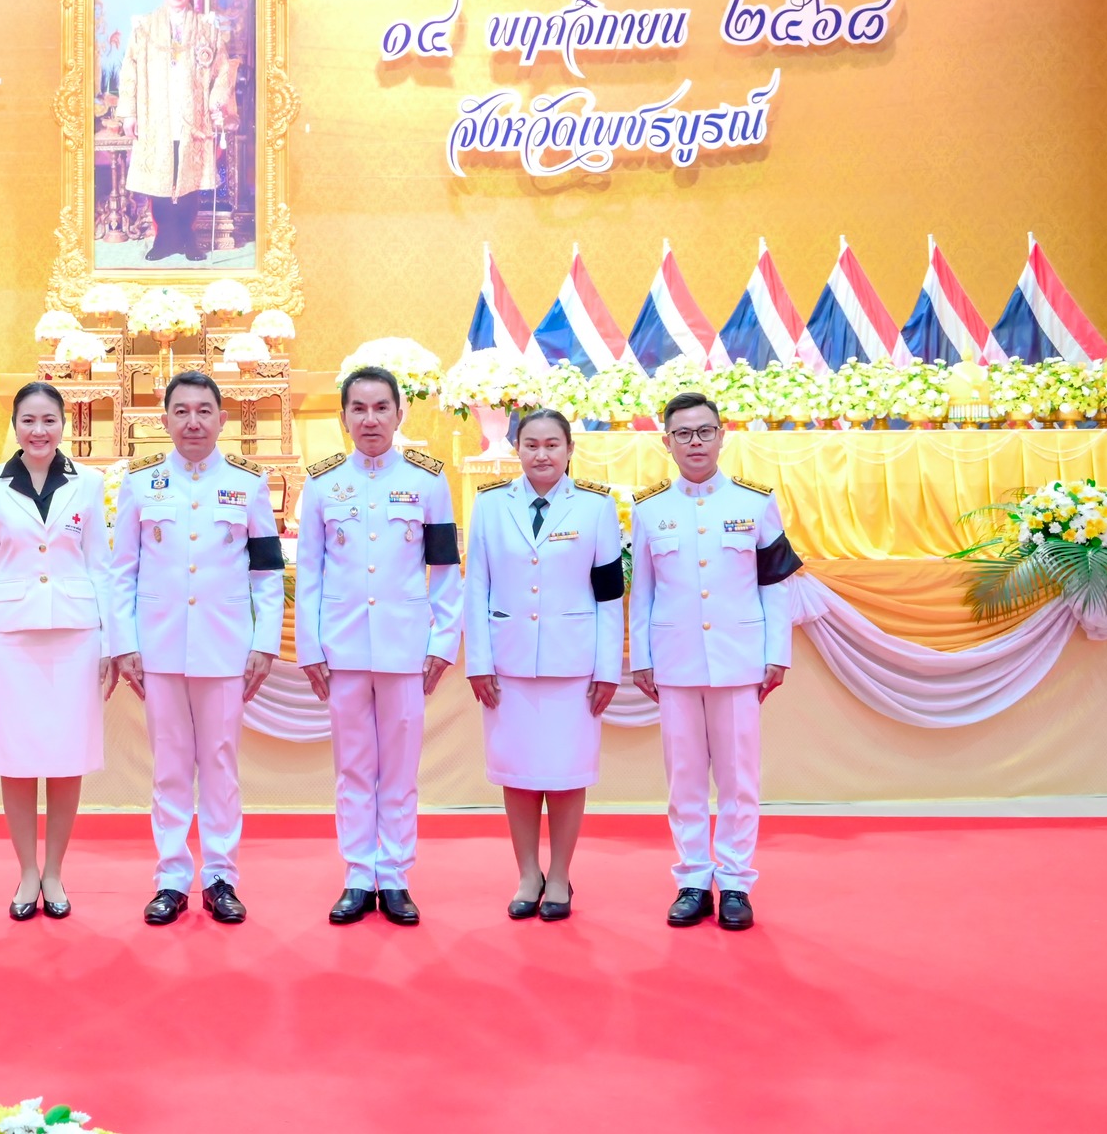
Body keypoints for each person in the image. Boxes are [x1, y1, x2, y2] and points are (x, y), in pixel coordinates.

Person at [107, 370, 284, 926]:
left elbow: (267, 575)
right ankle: (172, 879)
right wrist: (124, 643)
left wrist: (264, 642)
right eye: (181, 411)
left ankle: (221, 877)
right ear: (164, 421)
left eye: (204, 411)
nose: (193, 422)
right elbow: (121, 573)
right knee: (170, 768)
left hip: (225, 647)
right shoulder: (140, 484)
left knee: (222, 764)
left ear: (222, 420)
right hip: (159, 648)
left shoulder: (249, 484)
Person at [629, 391, 802, 932]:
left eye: (704, 431)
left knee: (737, 778)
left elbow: (776, 585)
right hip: (675, 662)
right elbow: (645, 590)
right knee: (683, 778)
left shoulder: (754, 502)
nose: (695, 442)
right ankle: (692, 880)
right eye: (683, 433)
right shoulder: (649, 507)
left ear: (723, 435)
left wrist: (776, 652)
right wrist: (642, 656)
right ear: (667, 442)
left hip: (738, 659)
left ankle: (733, 882)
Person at [295, 366, 461, 926]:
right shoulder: (320, 483)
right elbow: (310, 572)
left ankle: (394, 875)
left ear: (399, 413)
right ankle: (357, 875)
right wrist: (311, 649)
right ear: (343, 416)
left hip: (405, 648)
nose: (370, 419)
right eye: (358, 408)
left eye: (380, 408)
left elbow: (444, 570)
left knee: (400, 768)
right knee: (353, 768)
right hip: (342, 650)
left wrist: (442, 642)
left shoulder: (428, 480)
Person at [463, 407, 624, 922]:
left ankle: (560, 876)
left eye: (552, 444)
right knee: (518, 772)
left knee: (566, 772)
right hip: (507, 663)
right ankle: (528, 872)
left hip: (574, 663)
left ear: (570, 449)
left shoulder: (596, 507)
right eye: (531, 444)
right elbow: (477, 587)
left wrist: (608, 668)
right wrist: (478, 661)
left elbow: (608, 593)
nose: (541, 454)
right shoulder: (490, 506)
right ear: (517, 450)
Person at [0, 382, 115, 920]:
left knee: (67, 757)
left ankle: (55, 871)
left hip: (76, 635)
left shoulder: (91, 483)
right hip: (10, 637)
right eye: (28, 420)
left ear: (63, 424)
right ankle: (27, 872)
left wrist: (111, 644)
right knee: (17, 758)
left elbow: (101, 566)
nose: (39, 431)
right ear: (14, 424)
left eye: (49, 420)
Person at [115, 0, 235, 263]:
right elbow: (128, 70)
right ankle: (164, 238)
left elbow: (222, 71)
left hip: (192, 120)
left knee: (189, 179)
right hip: (156, 117)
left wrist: (216, 104)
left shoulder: (207, 29)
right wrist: (129, 113)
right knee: (160, 179)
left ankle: (186, 236)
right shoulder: (144, 27)